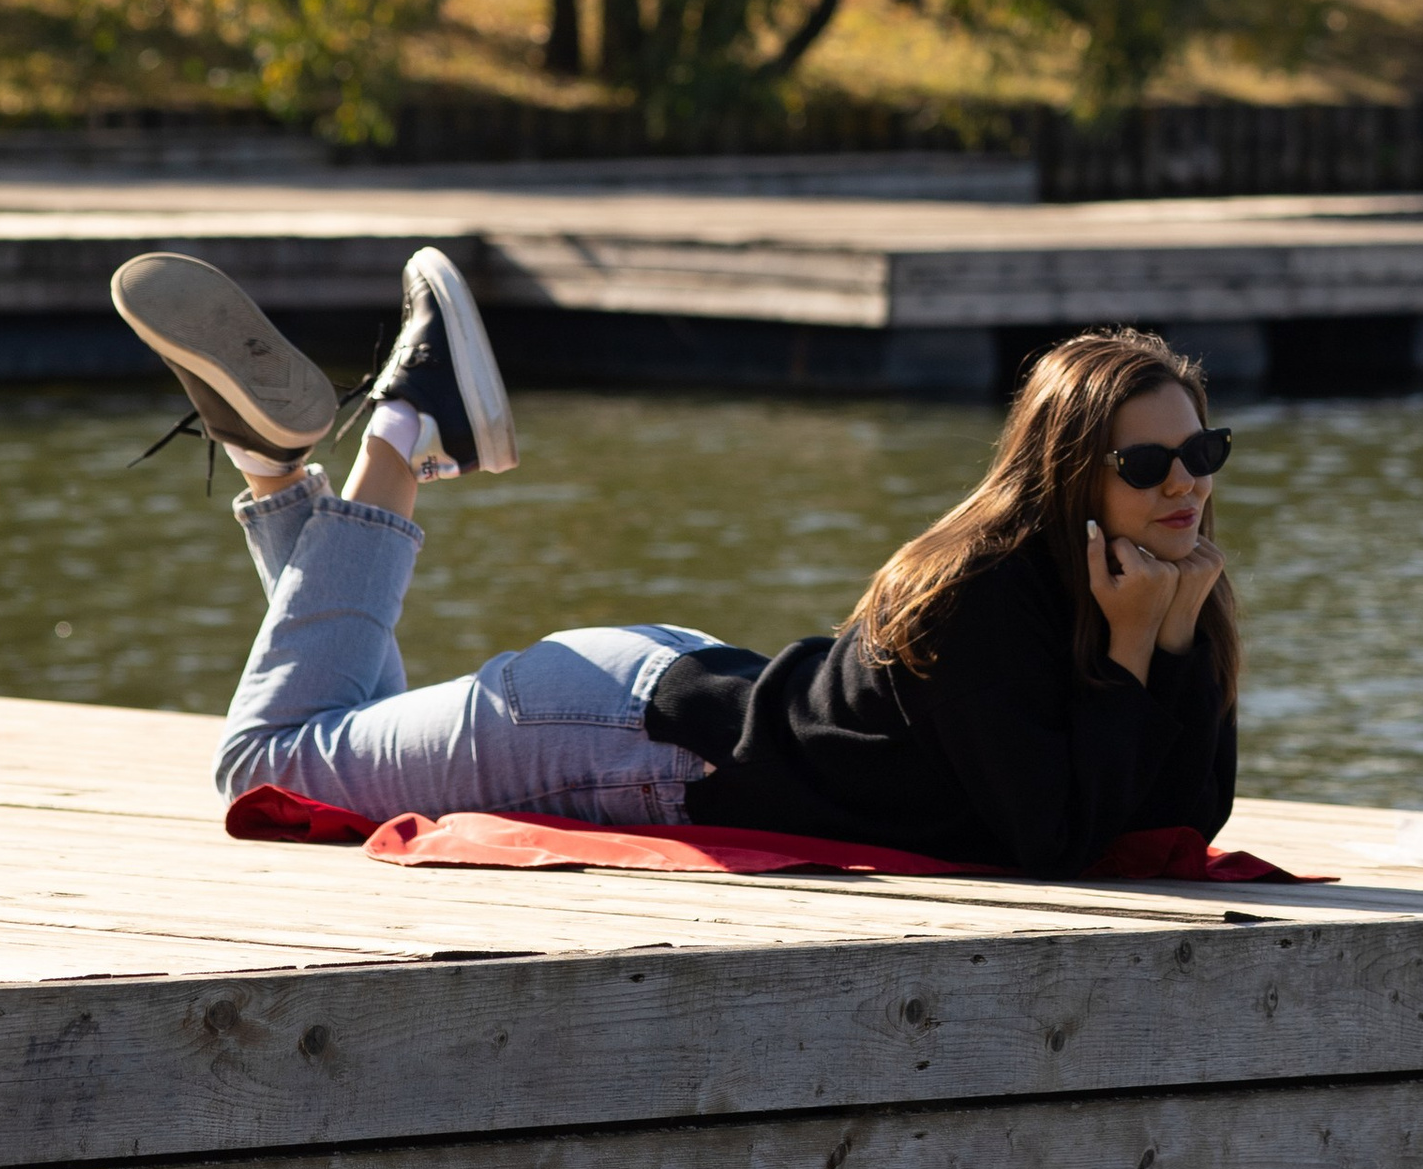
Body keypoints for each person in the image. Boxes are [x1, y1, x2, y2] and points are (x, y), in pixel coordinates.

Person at [112, 248, 1240, 875]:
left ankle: (272, 465)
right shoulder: (986, 593)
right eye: (1149, 463)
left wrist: (1176, 640)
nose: (1185, 483)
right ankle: (404, 428)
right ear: (1071, 474)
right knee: (268, 762)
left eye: (1201, 450)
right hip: (612, 741)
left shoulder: (1148, 583)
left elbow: (1186, 816)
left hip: (663, 704)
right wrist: (1141, 649)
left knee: (342, 726)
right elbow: (1055, 841)